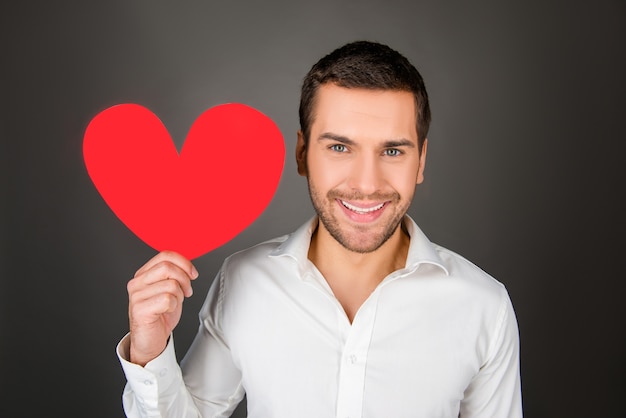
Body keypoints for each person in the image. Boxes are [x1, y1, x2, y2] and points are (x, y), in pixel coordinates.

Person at [116, 40, 523, 417]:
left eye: (393, 150)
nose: (366, 184)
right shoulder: (243, 281)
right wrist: (150, 352)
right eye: (340, 147)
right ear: (302, 153)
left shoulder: (484, 308)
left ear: (421, 161)